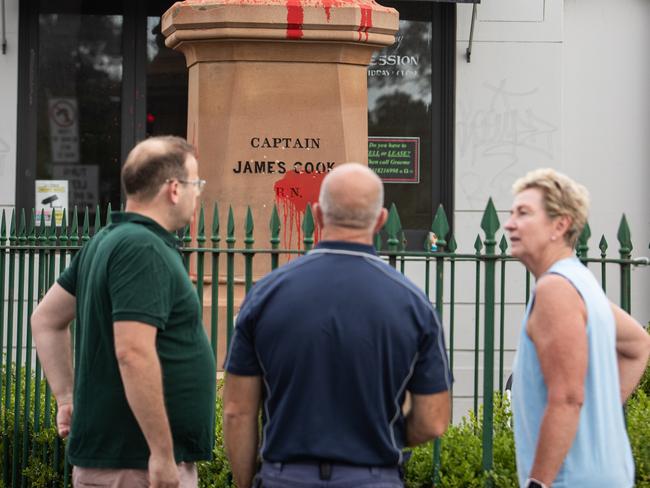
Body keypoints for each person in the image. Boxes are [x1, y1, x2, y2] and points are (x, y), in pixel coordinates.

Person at [223, 163, 452, 488]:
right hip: (373, 478)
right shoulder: (413, 304)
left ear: (317, 215)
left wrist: (247, 483)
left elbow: (237, 410)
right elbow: (433, 420)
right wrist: (379, 436)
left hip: (286, 477)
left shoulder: (265, 295)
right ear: (381, 220)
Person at [31, 136, 216, 488]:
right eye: (196, 184)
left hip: (123, 463)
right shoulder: (141, 247)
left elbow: (45, 319)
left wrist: (67, 398)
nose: (198, 194)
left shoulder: (105, 241)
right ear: (174, 189)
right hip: (137, 466)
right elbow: (133, 351)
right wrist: (161, 454)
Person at [504, 168, 650, 488]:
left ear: (560, 224)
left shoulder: (555, 289)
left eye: (524, 213)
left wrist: (538, 483)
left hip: (569, 479)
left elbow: (568, 397)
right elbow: (638, 344)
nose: (509, 223)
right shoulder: (581, 282)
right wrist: (599, 416)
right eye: (512, 213)